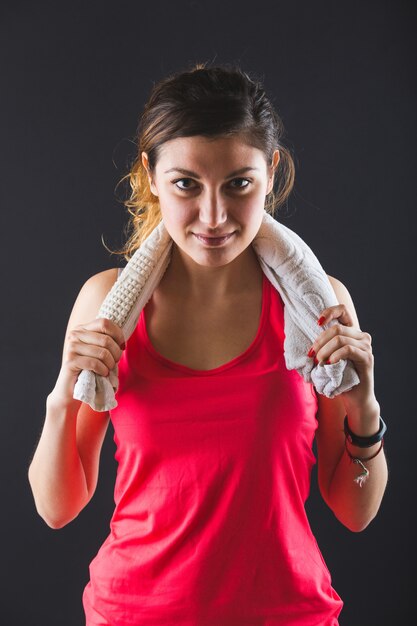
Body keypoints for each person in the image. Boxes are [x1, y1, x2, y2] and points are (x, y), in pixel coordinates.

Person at [28, 62, 388, 626]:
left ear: (270, 172)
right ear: (151, 175)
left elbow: (355, 513)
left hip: (289, 615)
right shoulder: (107, 304)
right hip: (132, 614)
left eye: (238, 184)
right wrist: (60, 400)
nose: (214, 217)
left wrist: (364, 406)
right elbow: (56, 509)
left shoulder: (316, 309)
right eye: (186, 184)